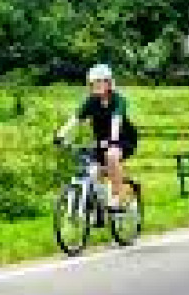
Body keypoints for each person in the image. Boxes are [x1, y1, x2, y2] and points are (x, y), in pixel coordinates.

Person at [54, 64, 138, 212]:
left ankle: (118, 197)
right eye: (94, 83)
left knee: (111, 156)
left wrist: (113, 141)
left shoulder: (118, 100)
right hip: (101, 142)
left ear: (109, 83)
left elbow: (116, 120)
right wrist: (60, 134)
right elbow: (75, 119)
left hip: (123, 139)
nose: (97, 85)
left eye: (101, 82)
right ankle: (98, 209)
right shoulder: (90, 101)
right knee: (93, 170)